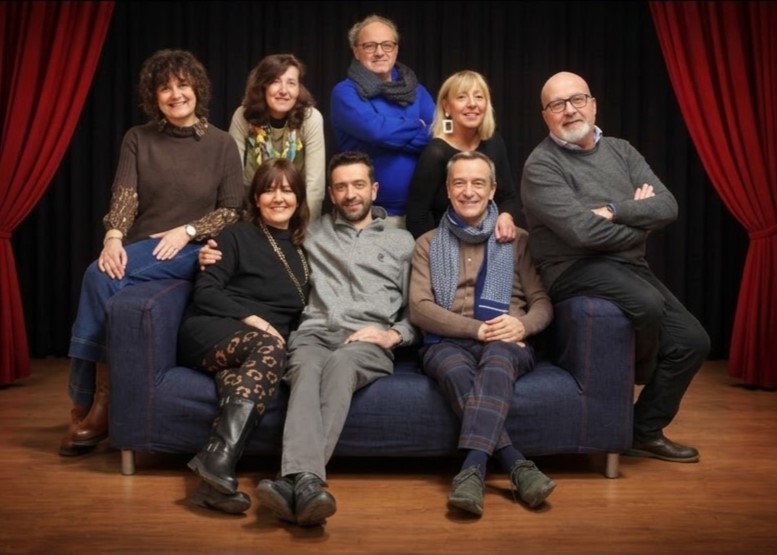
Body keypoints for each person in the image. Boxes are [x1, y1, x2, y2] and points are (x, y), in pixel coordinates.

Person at [59, 49, 245, 457]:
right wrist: (113, 237)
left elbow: (233, 209)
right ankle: (97, 401)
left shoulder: (222, 144)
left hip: (193, 248)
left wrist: (188, 230)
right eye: (165, 88)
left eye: (183, 85)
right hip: (144, 246)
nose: (176, 94)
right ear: (154, 97)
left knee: (97, 276)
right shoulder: (138, 138)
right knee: (102, 275)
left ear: (197, 89)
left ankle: (91, 401)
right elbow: (125, 196)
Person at [520, 71, 711, 463]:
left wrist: (613, 210)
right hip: (571, 269)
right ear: (546, 116)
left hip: (627, 265)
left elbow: (667, 206)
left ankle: (644, 429)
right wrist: (641, 224)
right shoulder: (541, 165)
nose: (569, 110)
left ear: (593, 104)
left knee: (694, 341)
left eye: (577, 99)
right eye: (557, 104)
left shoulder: (622, 151)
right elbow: (581, 233)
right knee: (646, 303)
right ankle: (639, 370)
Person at [252, 151, 418, 526]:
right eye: (341, 187)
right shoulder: (310, 232)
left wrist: (394, 334)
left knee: (341, 362)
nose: (350, 194)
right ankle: (308, 487)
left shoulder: (402, 242)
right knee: (306, 369)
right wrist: (212, 250)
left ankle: (292, 480)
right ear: (331, 193)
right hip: (313, 333)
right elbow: (260, 235)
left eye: (358, 185)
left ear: (374, 189)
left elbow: (418, 309)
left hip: (367, 341)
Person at [409, 151, 555, 516]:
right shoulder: (427, 243)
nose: (468, 191)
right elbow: (420, 308)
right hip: (446, 342)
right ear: (447, 189)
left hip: (508, 339)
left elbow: (542, 302)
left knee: (498, 358)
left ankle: (472, 469)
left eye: (478, 183)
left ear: (492, 190)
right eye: (459, 183)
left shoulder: (516, 239)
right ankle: (516, 463)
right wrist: (477, 330)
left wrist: (522, 325)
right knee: (454, 369)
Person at [178, 158, 310, 515]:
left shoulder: (303, 250)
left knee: (241, 380)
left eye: (287, 190)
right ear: (255, 199)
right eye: (269, 190)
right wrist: (257, 322)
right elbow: (206, 291)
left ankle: (214, 483)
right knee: (269, 346)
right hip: (211, 329)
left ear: (299, 198)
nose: (278, 198)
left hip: (257, 350)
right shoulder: (235, 236)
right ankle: (216, 462)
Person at [330, 14, 435, 228]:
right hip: (368, 216)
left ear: (395, 49)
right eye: (370, 46)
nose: (379, 52)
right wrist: (417, 124)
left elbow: (437, 135)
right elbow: (377, 131)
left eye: (387, 45)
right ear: (356, 52)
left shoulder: (417, 91)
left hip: (420, 214)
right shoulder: (345, 92)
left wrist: (388, 132)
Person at [406, 70, 524, 240]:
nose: (472, 104)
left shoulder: (494, 142)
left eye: (479, 97)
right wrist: (437, 250)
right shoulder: (435, 153)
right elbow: (417, 218)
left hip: (491, 240)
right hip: (446, 243)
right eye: (462, 97)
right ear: (446, 107)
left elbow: (508, 198)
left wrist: (506, 216)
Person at [228, 53, 326, 220]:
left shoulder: (310, 118)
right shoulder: (243, 115)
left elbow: (315, 185)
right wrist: (243, 223)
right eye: (275, 82)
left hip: (295, 209)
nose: (283, 91)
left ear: (299, 89)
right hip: (252, 208)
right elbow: (233, 177)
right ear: (262, 86)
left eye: (291, 83)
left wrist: (306, 228)